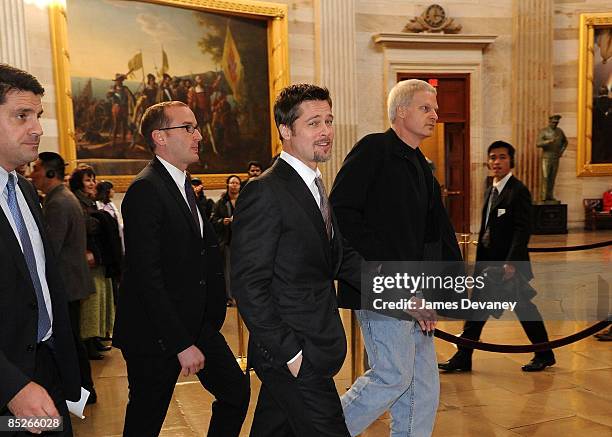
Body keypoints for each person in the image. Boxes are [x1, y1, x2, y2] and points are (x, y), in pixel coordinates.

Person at [329, 79, 462, 436]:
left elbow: (435, 234)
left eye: (435, 108)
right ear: (400, 111)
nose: (435, 115)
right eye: (425, 108)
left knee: (423, 388)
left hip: (417, 292)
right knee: (392, 376)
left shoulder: (421, 164)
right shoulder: (373, 150)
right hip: (382, 288)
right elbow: (342, 213)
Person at [231, 83, 363, 437]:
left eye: (329, 121)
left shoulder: (315, 185)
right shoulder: (265, 191)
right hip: (292, 353)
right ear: (286, 130)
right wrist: (290, 354)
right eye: (314, 123)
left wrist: (400, 291)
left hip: (313, 345)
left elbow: (341, 259)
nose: (326, 132)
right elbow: (247, 284)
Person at [113, 101, 249, 437]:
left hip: (195, 323)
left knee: (235, 391)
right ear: (159, 136)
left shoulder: (182, 184)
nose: (199, 135)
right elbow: (147, 275)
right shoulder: (146, 188)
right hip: (154, 332)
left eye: (196, 127)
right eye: (187, 128)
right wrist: (179, 343)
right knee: (146, 418)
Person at [0, 63, 80, 435]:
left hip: (47, 370)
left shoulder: (27, 192)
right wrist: (11, 385)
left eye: (38, 115)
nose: (38, 129)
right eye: (22, 116)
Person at [439, 141, 556, 372]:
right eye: (492, 157)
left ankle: (544, 353)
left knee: (523, 308)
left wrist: (510, 264)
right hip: (488, 267)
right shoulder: (489, 188)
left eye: (502, 157)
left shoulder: (518, 190)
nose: (496, 162)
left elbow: (522, 231)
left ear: (511, 161)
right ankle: (464, 356)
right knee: (477, 311)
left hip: (506, 268)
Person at [30, 152, 98, 404]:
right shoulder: (62, 197)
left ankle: (83, 390)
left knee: (70, 340)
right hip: (73, 279)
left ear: (49, 172)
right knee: (72, 338)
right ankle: (84, 389)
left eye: (36, 168)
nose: (32, 173)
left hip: (67, 282)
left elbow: (51, 248)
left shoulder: (58, 202)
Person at [69, 166, 117, 360]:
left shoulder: (90, 202)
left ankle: (95, 337)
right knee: (90, 303)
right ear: (78, 183)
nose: (92, 183)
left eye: (93, 179)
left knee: (100, 300)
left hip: (98, 257)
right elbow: (85, 227)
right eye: (88, 180)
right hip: (86, 258)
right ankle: (87, 342)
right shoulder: (76, 201)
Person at [211, 174, 241, 304]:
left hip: (242, 242)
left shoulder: (244, 200)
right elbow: (212, 220)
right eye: (232, 183)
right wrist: (222, 221)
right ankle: (229, 296)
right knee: (227, 270)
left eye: (237, 183)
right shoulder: (220, 203)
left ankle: (241, 295)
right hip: (227, 240)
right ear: (227, 185)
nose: (234, 185)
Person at [536, 114, 567, 202]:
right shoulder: (544, 131)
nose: (555, 124)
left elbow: (565, 142)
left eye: (557, 122)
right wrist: (548, 141)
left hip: (555, 157)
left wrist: (561, 152)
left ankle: (550, 196)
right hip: (546, 157)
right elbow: (538, 143)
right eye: (553, 122)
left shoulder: (560, 131)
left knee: (552, 178)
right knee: (546, 177)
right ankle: (543, 197)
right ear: (550, 122)